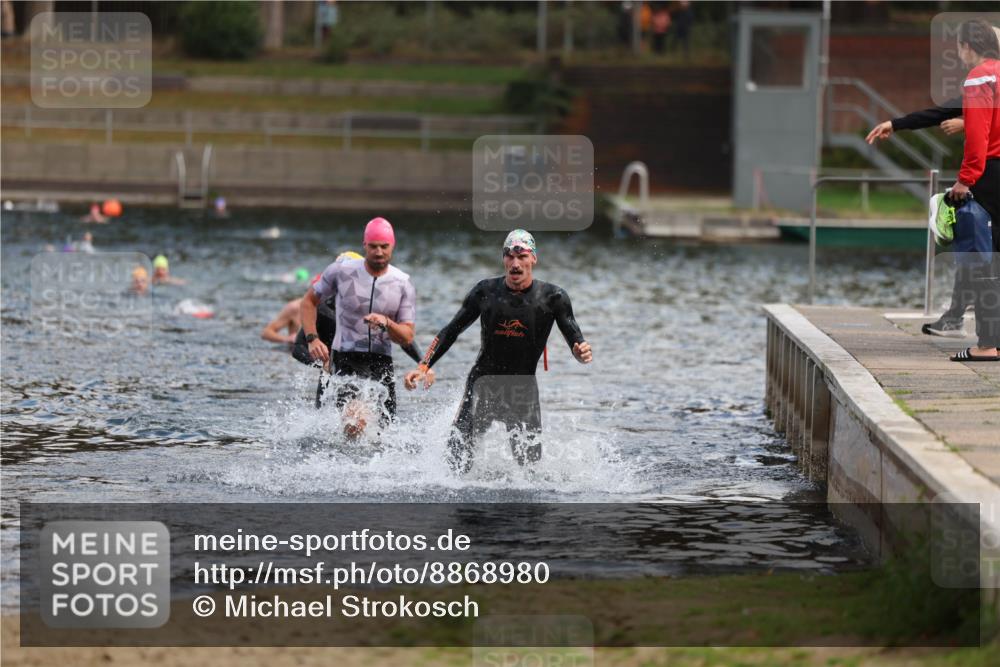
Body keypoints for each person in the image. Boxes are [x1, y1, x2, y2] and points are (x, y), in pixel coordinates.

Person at [404, 230, 593, 473]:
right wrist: (424, 365)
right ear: (503, 259)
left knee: (530, 470)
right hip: (483, 383)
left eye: (522, 256)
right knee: (455, 462)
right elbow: (451, 330)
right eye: (509, 256)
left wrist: (580, 353)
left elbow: (576, 341)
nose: (515, 264)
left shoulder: (554, 297)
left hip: (522, 389)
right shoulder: (485, 292)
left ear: (533, 258)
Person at [300, 219, 417, 436]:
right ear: (364, 245)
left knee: (384, 434)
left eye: (384, 246)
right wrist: (312, 339)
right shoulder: (340, 271)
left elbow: (408, 336)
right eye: (373, 246)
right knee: (355, 422)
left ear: (392, 246)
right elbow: (308, 302)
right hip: (347, 359)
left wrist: (387, 323)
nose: (379, 252)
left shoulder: (403, 283)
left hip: (382, 364)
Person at [290, 252, 430, 408]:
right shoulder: (321, 309)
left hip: (373, 371)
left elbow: (403, 338)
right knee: (337, 418)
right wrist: (323, 362)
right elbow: (298, 348)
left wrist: (423, 363)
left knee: (385, 418)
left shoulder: (373, 308)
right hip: (336, 374)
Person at [947, 19, 1000, 362]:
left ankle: (987, 345)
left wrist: (965, 179)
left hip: (991, 175)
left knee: (983, 260)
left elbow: (978, 137)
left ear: (967, 46)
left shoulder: (980, 76)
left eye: (958, 46)